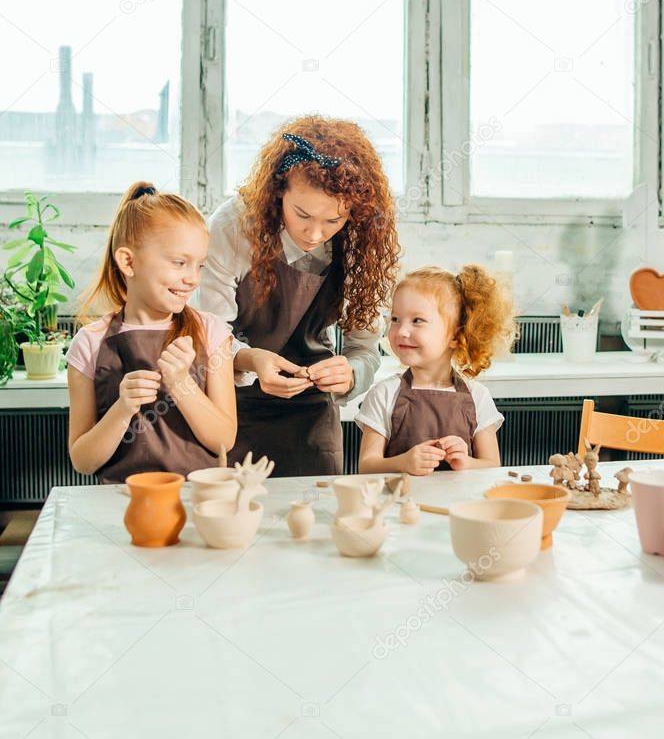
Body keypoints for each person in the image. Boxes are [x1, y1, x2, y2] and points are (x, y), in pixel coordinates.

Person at [198, 116, 399, 476]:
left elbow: (365, 350)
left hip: (312, 412)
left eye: (333, 221)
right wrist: (250, 360)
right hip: (229, 404)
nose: (315, 234)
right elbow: (207, 336)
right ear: (278, 193)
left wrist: (351, 373)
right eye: (302, 215)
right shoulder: (232, 228)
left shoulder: (360, 240)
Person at [67, 183, 236, 483]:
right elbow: (82, 461)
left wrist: (182, 384)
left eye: (200, 265)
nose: (192, 279)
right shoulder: (88, 343)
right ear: (129, 262)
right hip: (121, 505)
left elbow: (224, 440)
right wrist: (122, 410)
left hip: (196, 501)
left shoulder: (212, 332)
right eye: (180, 263)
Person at [356, 265, 516, 475]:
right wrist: (404, 462)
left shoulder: (478, 397)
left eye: (417, 321)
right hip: (400, 506)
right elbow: (367, 466)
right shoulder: (383, 394)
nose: (401, 331)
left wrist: (466, 462)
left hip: (460, 507)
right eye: (395, 319)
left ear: (456, 337)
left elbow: (492, 465)